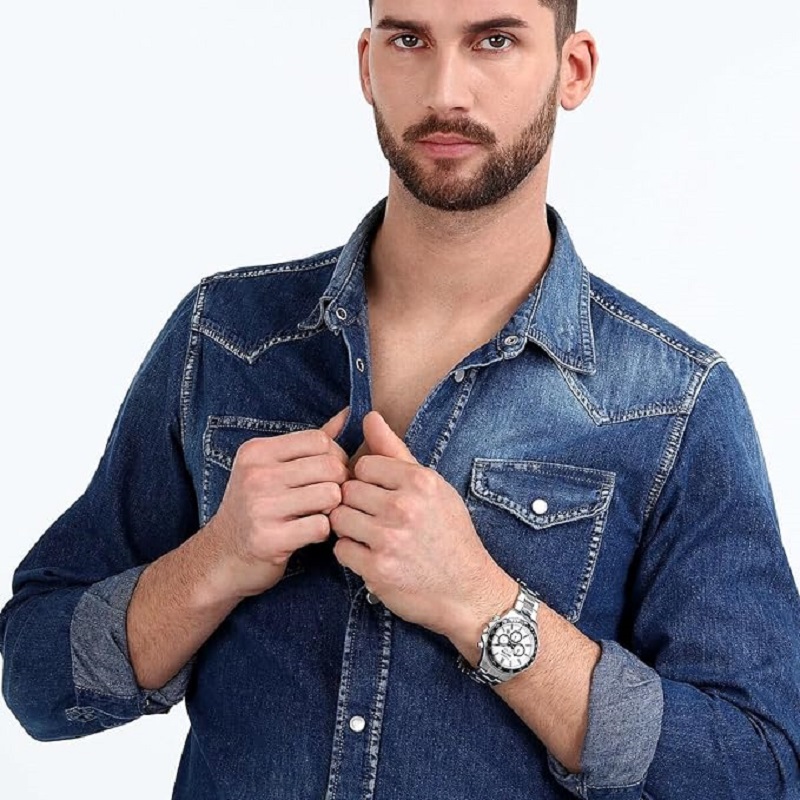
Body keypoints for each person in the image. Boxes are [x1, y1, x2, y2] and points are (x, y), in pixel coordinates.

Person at [1, 0, 799, 797]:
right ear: (367, 65)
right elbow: (36, 678)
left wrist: (483, 606)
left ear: (573, 69)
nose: (445, 91)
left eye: (494, 40)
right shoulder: (226, 338)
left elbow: (758, 770)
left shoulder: (672, 402)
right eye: (409, 39)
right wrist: (215, 562)